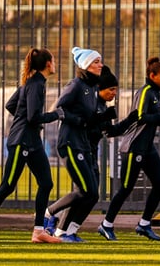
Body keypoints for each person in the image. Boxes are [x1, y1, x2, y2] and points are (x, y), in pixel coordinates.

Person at [0, 47, 63, 244]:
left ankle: (38, 231)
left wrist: (25, 117)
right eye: (54, 61)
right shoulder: (35, 84)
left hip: (32, 142)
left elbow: (11, 106)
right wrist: (56, 114)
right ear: (48, 64)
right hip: (22, 140)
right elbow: (32, 117)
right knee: (8, 185)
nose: (55, 64)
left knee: (46, 183)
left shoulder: (31, 83)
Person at [46, 63, 128, 241]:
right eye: (111, 89)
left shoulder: (101, 106)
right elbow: (83, 121)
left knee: (91, 195)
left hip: (89, 151)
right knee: (85, 191)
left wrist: (131, 120)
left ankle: (69, 231)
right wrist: (100, 118)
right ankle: (51, 216)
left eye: (116, 89)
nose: (114, 93)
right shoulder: (84, 94)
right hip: (76, 147)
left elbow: (109, 131)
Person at [98, 56, 160, 242]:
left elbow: (156, 119)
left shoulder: (156, 93)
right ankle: (106, 225)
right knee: (125, 188)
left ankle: (144, 224)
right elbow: (141, 117)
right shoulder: (146, 91)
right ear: (152, 75)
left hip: (147, 148)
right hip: (134, 147)